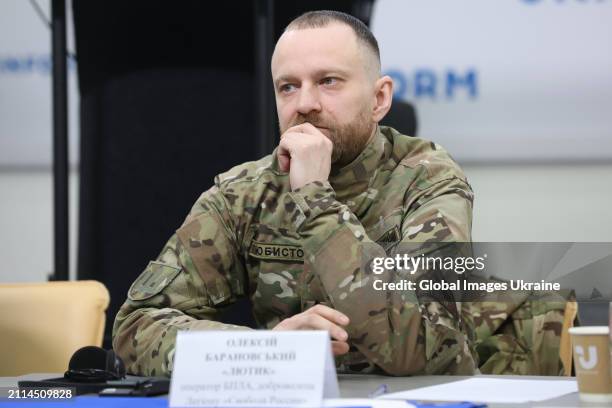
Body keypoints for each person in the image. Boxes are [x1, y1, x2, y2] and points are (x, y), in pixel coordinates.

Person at [113, 10, 570, 377]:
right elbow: (136, 326)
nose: (305, 103)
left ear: (379, 99)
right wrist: (262, 349)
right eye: (287, 87)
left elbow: (427, 350)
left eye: (328, 81)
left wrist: (313, 195)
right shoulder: (244, 193)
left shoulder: (427, 180)